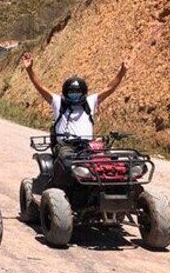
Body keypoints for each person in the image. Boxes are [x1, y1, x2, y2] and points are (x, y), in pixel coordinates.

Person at [22, 52, 128, 185]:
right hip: (65, 146)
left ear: (83, 92)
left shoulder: (90, 102)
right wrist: (30, 70)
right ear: (66, 92)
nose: (74, 94)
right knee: (69, 163)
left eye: (77, 91)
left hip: (88, 145)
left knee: (109, 162)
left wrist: (122, 72)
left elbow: (109, 88)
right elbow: (41, 87)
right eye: (71, 92)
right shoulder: (57, 102)